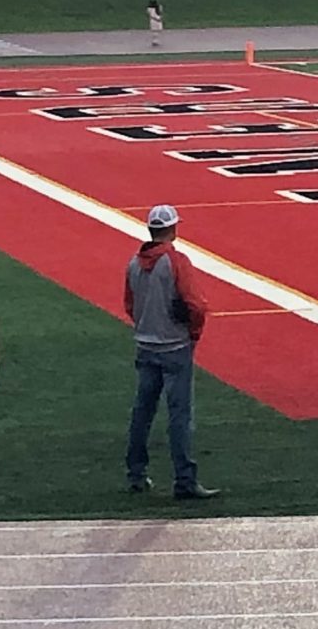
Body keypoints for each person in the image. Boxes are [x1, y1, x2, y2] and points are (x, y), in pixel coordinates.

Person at [123, 205, 216, 500]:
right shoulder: (176, 260)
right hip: (175, 346)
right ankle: (185, 479)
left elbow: (129, 304)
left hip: (146, 344)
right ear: (173, 229)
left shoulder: (134, 263)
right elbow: (195, 304)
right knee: (179, 415)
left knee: (142, 411)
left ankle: (136, 473)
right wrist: (193, 332)